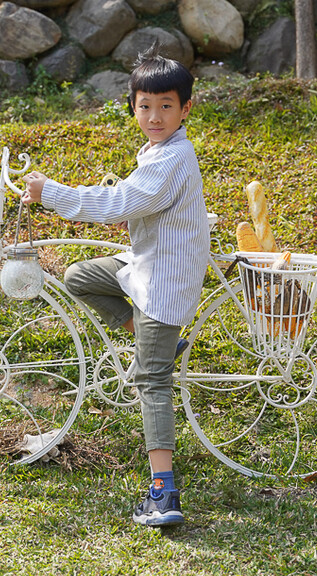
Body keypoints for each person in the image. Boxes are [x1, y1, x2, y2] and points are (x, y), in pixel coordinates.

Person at [21, 44, 209, 527]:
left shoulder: (172, 159)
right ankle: (155, 341)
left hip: (164, 281)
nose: (154, 115)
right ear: (132, 108)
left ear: (186, 109)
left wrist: (54, 194)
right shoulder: (158, 150)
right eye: (145, 106)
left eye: (166, 106)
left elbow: (120, 203)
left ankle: (164, 493)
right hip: (147, 263)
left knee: (151, 381)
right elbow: (129, 197)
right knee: (79, 275)